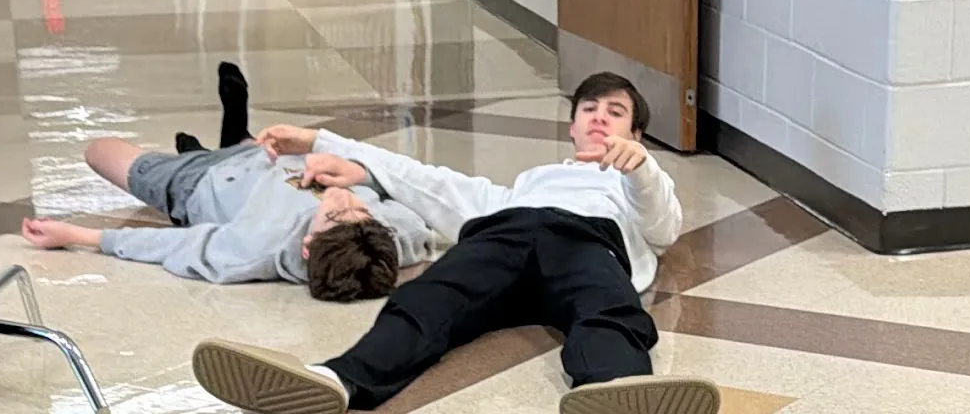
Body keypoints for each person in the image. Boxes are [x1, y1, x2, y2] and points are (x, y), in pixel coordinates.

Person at [187, 72, 717, 414]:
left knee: (608, 309)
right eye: (589, 109)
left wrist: (642, 170)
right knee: (427, 299)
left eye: (615, 112)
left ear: (635, 134)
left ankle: (616, 389)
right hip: (508, 230)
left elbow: (663, 228)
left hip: (588, 241)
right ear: (573, 128)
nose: (600, 116)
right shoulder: (523, 185)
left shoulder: (636, 181)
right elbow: (426, 180)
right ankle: (337, 381)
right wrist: (322, 142)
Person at [18, 63, 436, 302]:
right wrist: (360, 175)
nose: (342, 196)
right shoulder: (397, 237)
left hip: (201, 182)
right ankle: (236, 134)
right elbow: (411, 190)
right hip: (274, 154)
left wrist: (77, 236)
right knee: (251, 145)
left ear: (307, 246)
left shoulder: (251, 252)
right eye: (362, 208)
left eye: (334, 212)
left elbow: (174, 245)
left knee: (98, 150)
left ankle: (201, 150)